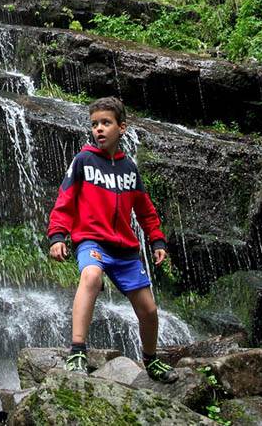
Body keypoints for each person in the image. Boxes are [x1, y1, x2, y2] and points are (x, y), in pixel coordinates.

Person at [47, 96, 177, 383]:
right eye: (94, 124)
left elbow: (145, 210)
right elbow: (64, 201)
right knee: (91, 276)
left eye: (106, 123)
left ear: (122, 128)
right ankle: (78, 349)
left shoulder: (129, 168)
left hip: (125, 250)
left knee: (149, 309)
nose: (99, 129)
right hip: (91, 241)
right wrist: (58, 235)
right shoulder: (83, 160)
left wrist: (157, 241)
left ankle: (151, 359)